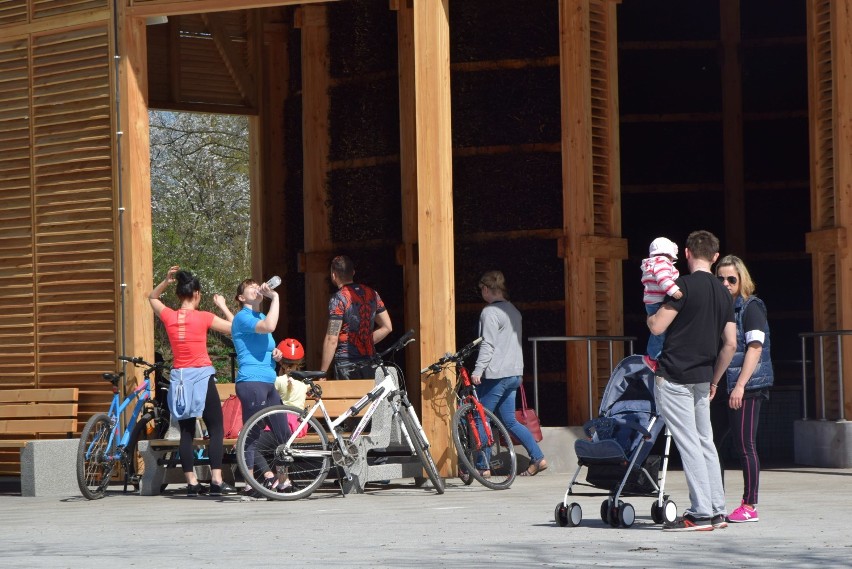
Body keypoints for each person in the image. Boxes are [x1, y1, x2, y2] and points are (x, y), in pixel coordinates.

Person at [646, 230, 736, 531]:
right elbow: (731, 344)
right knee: (705, 442)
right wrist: (715, 380)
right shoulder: (725, 293)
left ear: (686, 254)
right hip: (702, 378)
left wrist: (649, 317)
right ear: (714, 257)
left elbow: (658, 327)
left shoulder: (681, 286)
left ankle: (699, 513)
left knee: (688, 444)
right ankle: (717, 510)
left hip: (674, 376)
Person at [148, 266, 238, 497]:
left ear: (179, 294)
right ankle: (216, 480)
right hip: (201, 376)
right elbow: (235, 328)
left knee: (186, 431)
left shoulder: (168, 315)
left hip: (179, 379)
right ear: (197, 293)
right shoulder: (204, 317)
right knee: (216, 427)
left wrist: (166, 280)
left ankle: (192, 483)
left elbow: (152, 297)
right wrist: (223, 307)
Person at [713, 255, 773, 523]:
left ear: (742, 280)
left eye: (731, 279)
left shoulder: (751, 307)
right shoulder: (719, 309)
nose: (725, 283)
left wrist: (740, 385)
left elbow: (755, 347)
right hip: (722, 387)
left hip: (745, 388)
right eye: (720, 279)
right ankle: (714, 501)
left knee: (745, 445)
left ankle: (750, 505)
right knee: (711, 443)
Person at [471, 270, 547, 477]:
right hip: (514, 374)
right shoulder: (514, 311)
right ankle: (538, 458)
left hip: (496, 375)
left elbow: (488, 345)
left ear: (486, 289)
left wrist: (478, 370)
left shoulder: (489, 312)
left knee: (481, 418)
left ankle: (483, 466)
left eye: (482, 291)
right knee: (510, 421)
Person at [231, 278, 290, 492]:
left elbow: (265, 341)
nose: (257, 289)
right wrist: (274, 297)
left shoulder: (262, 315)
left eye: (258, 286)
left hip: (268, 380)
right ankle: (250, 483)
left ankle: (283, 481)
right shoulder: (242, 317)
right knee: (253, 433)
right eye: (251, 288)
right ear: (241, 297)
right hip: (251, 381)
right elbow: (270, 327)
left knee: (283, 431)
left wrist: (275, 354)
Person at [320, 255, 392, 380]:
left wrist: (322, 373)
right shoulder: (373, 294)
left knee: (350, 400)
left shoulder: (338, 298)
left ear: (333, 275)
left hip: (346, 364)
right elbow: (387, 327)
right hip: (370, 361)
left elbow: (332, 338)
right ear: (353, 272)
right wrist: (364, 341)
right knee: (369, 399)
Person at [641, 237, 683, 361]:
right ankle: (655, 356)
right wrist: (674, 290)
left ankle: (654, 354)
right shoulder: (662, 263)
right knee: (660, 331)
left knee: (658, 331)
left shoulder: (652, 263)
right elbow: (663, 278)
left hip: (651, 301)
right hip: (658, 301)